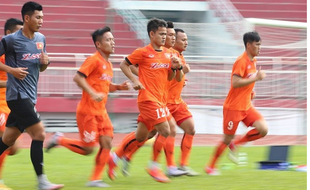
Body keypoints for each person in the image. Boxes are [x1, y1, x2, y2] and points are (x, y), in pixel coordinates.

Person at [46, 26, 131, 188]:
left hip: (101, 112)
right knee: (88, 149)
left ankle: (94, 179)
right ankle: (59, 139)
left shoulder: (108, 63)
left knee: (107, 143)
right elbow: (78, 78)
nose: (113, 42)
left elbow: (105, 85)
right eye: (108, 39)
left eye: (113, 39)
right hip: (88, 112)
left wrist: (118, 87)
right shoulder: (94, 59)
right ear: (99, 44)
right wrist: (92, 93)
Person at [108, 18, 182, 183]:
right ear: (151, 34)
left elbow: (171, 77)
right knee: (166, 130)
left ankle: (114, 157)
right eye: (161, 34)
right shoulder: (142, 52)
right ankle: (154, 166)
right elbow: (123, 65)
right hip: (148, 99)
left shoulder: (168, 54)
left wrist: (176, 67)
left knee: (143, 135)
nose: (165, 37)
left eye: (166, 34)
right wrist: (135, 80)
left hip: (160, 100)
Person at [0, 2, 64, 190]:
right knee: (39, 133)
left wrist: (46, 62)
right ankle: (42, 181)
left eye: (42, 17)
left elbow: (41, 67)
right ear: (27, 18)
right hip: (17, 96)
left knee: (7, 140)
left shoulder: (41, 39)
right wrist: (11, 70)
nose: (41, 21)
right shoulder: (10, 40)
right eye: (38, 17)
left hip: (30, 96)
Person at [205, 31, 268, 175]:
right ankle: (210, 167)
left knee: (262, 129)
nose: (260, 47)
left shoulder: (253, 61)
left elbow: (246, 81)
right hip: (233, 108)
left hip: (246, 105)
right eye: (257, 44)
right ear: (249, 45)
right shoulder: (241, 61)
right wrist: (256, 79)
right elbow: (235, 82)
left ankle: (236, 144)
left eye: (260, 45)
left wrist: (250, 92)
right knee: (226, 138)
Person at [0, 18, 23, 190]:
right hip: (0, 104)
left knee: (14, 147)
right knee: (6, 141)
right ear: (8, 34)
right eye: (18, 32)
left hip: (13, 105)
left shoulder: (17, 55)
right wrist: (10, 83)